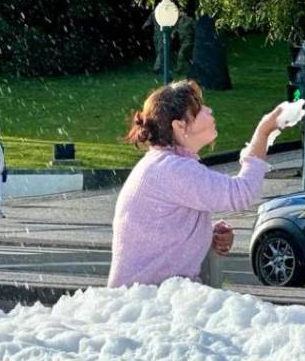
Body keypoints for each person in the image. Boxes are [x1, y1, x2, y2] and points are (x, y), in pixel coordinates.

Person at [108, 80, 284, 288]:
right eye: (199, 109)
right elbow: (240, 194)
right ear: (179, 126)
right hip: (152, 301)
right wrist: (264, 131)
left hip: (146, 298)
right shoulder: (174, 169)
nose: (209, 110)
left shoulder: (163, 164)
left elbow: (161, 231)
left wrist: (206, 234)